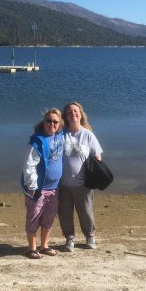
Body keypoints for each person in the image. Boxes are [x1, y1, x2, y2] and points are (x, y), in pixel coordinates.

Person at [58, 101, 103, 251]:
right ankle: (69, 238)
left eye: (75, 111)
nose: (73, 114)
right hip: (63, 184)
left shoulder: (88, 135)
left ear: (80, 114)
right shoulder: (61, 134)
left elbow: (98, 158)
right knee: (64, 213)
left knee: (86, 212)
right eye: (69, 112)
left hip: (83, 184)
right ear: (65, 116)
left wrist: (91, 176)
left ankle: (90, 235)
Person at [21, 108, 65, 259]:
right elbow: (29, 166)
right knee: (34, 216)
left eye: (55, 122)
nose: (52, 124)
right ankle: (32, 249)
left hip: (54, 188)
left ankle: (44, 246)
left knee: (49, 216)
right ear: (43, 122)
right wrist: (32, 186)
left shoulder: (60, 136)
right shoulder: (36, 141)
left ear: (59, 124)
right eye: (49, 121)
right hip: (37, 189)